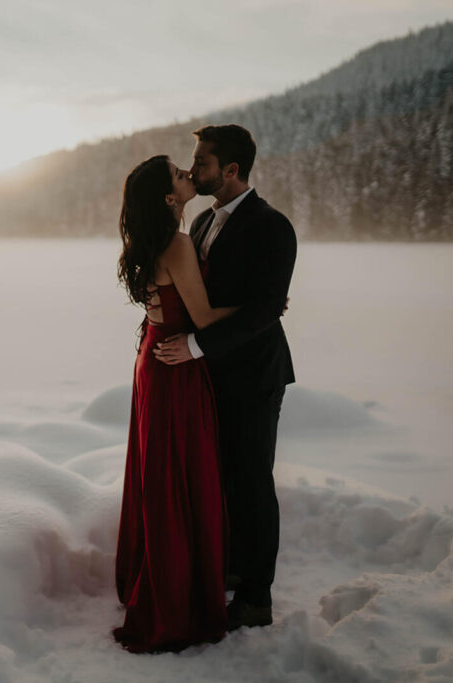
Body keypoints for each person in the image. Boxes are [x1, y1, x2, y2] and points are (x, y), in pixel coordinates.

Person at [154, 124, 296, 631]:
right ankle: (230, 566)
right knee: (222, 475)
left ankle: (257, 597)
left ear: (231, 170)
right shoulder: (202, 224)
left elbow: (262, 313)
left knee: (252, 480)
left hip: (255, 375)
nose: (195, 171)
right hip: (210, 375)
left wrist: (192, 346)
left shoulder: (271, 226)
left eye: (204, 164)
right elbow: (200, 297)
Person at [113, 154, 238, 653]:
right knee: (176, 478)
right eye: (179, 176)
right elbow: (205, 318)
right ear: (170, 198)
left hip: (155, 359)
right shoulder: (179, 242)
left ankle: (162, 577)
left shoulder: (146, 241)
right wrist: (262, 306)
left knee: (162, 474)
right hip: (175, 366)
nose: (188, 175)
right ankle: (175, 598)